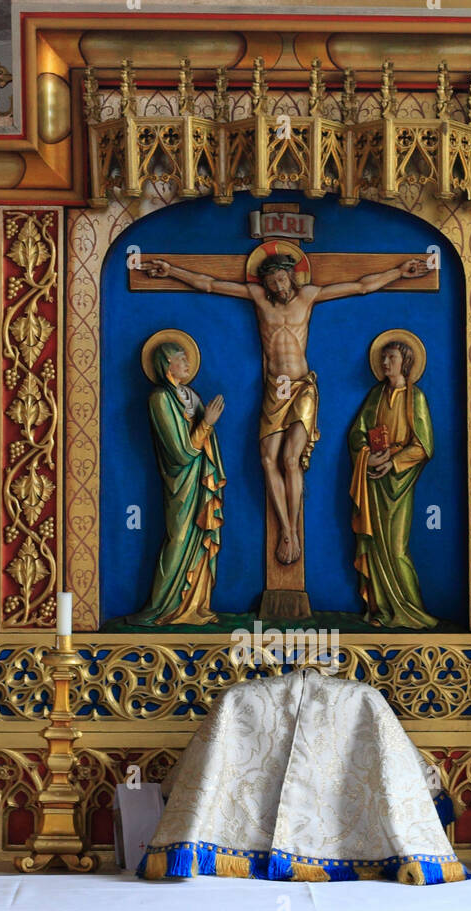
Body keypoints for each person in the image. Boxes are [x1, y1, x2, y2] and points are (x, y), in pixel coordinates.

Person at [141, 248, 429, 567]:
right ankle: (287, 529)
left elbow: (362, 285)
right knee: (267, 461)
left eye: (281, 278)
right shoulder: (258, 298)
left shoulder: (308, 296)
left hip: (302, 387)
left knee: (291, 459)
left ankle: (291, 530)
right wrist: (170, 270)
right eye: (271, 280)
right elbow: (208, 283)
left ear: (291, 275)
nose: (278, 285)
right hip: (274, 390)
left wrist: (399, 272)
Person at [130, 335, 226, 626]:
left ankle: (195, 605)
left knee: (199, 540)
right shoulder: (159, 399)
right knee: (179, 538)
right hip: (181, 480)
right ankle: (161, 607)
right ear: (166, 365)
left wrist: (205, 422)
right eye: (180, 358)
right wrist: (206, 423)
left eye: (186, 358)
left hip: (200, 479)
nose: (186, 363)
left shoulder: (190, 395)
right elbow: (180, 452)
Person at [348, 335, 437, 628]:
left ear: (406, 363)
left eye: (392, 358)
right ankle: (382, 611)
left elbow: (423, 446)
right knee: (374, 546)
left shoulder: (416, 398)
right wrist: (366, 456)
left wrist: (392, 462)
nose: (386, 363)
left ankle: (411, 609)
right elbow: (357, 432)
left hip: (398, 482)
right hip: (373, 478)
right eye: (383, 358)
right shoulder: (376, 395)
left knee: (396, 548)